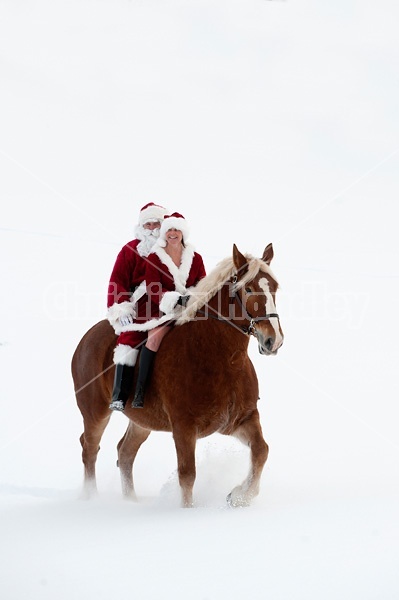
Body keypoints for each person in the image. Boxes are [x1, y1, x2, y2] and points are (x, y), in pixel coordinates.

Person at [130, 212, 207, 408]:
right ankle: (141, 390)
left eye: (176, 229)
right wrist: (173, 300)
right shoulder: (155, 257)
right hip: (162, 309)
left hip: (190, 309)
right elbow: (152, 286)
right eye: (169, 229)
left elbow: (202, 283)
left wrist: (191, 298)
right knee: (154, 338)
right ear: (165, 233)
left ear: (183, 233)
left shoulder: (195, 257)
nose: (173, 233)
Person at [107, 202, 169, 411]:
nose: (152, 229)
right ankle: (120, 394)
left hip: (166, 306)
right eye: (148, 225)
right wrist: (121, 307)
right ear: (141, 227)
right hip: (139, 307)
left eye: (156, 224)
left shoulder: (173, 248)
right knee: (128, 340)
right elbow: (118, 280)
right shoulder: (130, 250)